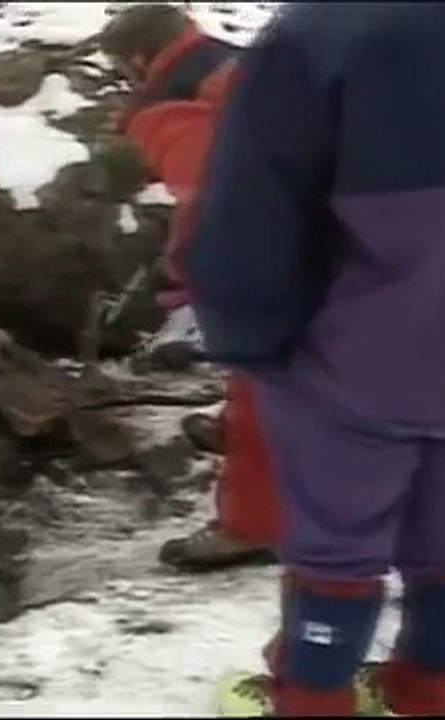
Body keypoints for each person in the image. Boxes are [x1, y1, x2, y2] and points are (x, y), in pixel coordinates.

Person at [185, 3, 445, 716]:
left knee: (337, 544)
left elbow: (250, 209)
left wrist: (252, 334)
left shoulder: (322, 32)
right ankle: (427, 689)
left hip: (358, 357)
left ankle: (314, 698)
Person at [99, 3, 280, 571]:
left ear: (136, 58)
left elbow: (209, 198)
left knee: (266, 379)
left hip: (287, 245)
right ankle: (235, 430)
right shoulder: (227, 63)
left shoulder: (174, 103)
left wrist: (181, 267)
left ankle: (253, 528)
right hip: (350, 221)